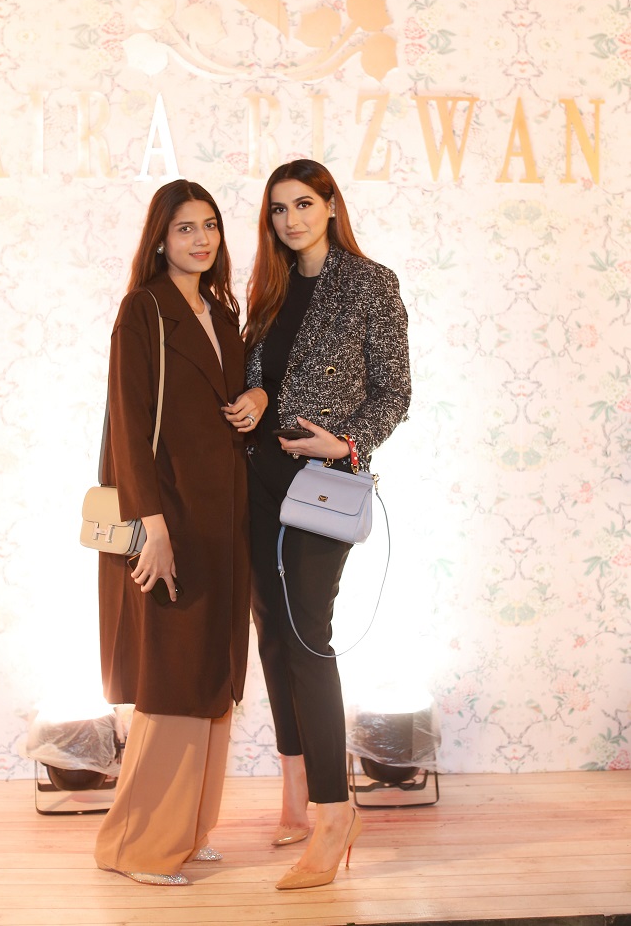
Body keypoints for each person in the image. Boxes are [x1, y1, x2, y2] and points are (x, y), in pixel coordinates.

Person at [238, 158, 411, 891]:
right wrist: (253, 394)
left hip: (322, 483)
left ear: (332, 205)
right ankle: (295, 794)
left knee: (308, 635)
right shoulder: (269, 289)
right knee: (272, 633)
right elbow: (263, 376)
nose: (292, 220)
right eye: (279, 209)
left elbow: (395, 392)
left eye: (304, 204)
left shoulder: (370, 284)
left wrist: (345, 444)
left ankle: (335, 812)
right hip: (256, 476)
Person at [94, 180, 259, 886]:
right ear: (160, 238)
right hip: (172, 517)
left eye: (210, 225)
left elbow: (235, 394)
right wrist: (150, 524)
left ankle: (188, 831)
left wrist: (257, 396)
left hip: (224, 520)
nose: (201, 239)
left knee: (211, 674)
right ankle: (139, 846)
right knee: (171, 678)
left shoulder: (221, 311)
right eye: (185, 227)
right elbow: (129, 424)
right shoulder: (144, 310)